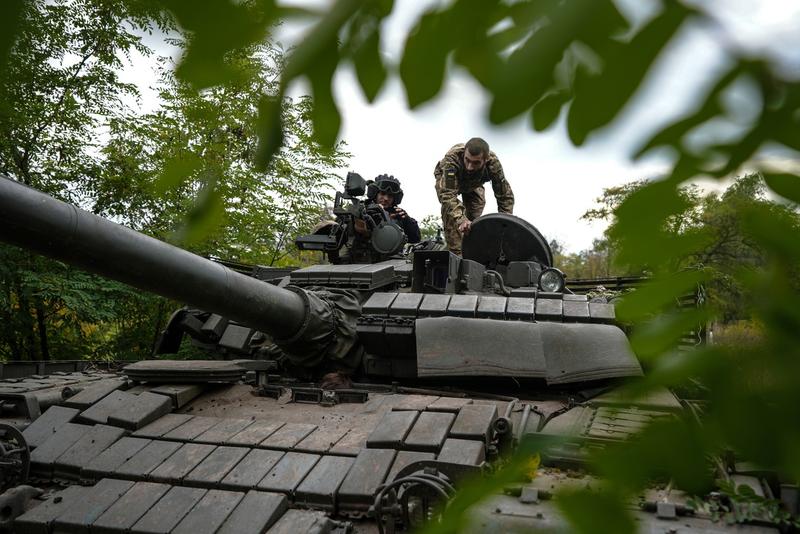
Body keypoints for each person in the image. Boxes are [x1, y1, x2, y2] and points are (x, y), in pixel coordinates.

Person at [433, 137, 514, 255]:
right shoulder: (452, 159)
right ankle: (457, 255)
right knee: (453, 218)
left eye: (476, 162)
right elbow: (448, 195)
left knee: (474, 222)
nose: (469, 166)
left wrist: (504, 224)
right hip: (449, 181)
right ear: (464, 153)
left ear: (485, 160)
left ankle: (475, 252)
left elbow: (505, 196)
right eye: (467, 160)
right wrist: (461, 220)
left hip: (474, 185)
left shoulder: (493, 164)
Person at [370, 174, 421, 243]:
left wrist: (406, 221)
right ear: (375, 194)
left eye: (390, 196)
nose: (386, 198)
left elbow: (415, 239)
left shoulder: (398, 215)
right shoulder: (363, 210)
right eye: (382, 194)